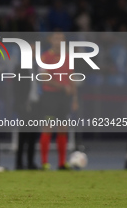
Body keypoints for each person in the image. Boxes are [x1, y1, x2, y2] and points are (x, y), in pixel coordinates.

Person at [39, 32, 79, 170]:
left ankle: (62, 163)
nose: (58, 41)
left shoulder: (68, 57)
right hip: (50, 96)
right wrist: (63, 87)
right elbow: (44, 78)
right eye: (56, 38)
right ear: (51, 40)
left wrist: (74, 98)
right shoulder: (45, 57)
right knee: (48, 127)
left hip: (64, 98)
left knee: (63, 129)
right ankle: (45, 162)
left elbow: (72, 77)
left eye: (61, 39)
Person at [14, 41, 40, 170]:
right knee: (23, 135)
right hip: (25, 106)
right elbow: (16, 89)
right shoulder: (20, 68)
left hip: (36, 105)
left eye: (35, 51)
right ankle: (19, 163)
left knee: (34, 135)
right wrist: (20, 104)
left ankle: (30, 162)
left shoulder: (37, 68)